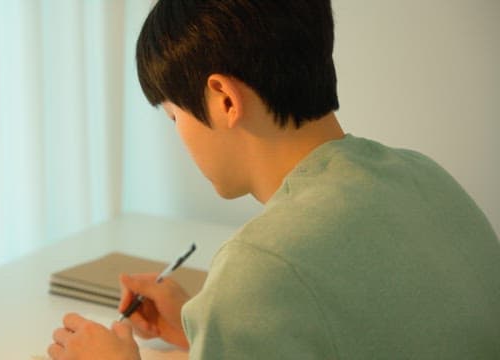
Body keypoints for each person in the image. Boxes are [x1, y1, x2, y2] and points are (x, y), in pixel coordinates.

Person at [48, 0, 500, 359]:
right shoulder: (423, 176)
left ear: (224, 99)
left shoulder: (259, 264)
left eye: (173, 117)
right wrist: (210, 327)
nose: (178, 135)